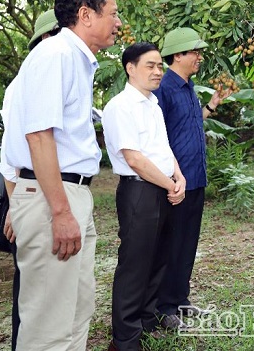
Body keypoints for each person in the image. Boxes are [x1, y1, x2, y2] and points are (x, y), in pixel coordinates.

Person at [3, 0, 121, 351]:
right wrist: (60, 211)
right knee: (48, 326)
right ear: (86, 15)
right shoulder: (55, 55)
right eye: (113, 13)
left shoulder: (76, 60)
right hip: (52, 197)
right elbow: (39, 137)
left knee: (76, 312)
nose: (118, 23)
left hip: (70, 192)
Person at [102, 42, 186, 351]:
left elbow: (163, 148)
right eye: (150, 65)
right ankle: (125, 339)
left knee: (158, 259)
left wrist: (178, 176)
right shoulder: (121, 106)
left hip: (163, 187)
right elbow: (134, 159)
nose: (157, 71)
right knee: (135, 265)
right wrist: (169, 185)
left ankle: (147, 323)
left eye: (160, 66)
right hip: (139, 190)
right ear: (130, 68)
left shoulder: (154, 104)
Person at [153, 27, 230, 329]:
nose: (199, 57)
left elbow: (191, 121)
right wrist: (172, 176)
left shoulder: (188, 86)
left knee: (187, 243)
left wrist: (211, 105)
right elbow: (157, 135)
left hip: (196, 178)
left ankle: (180, 298)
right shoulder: (163, 88)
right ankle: (164, 307)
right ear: (178, 55)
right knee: (171, 244)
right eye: (195, 52)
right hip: (176, 182)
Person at [0, 8, 61, 351]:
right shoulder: (24, 84)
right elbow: (11, 155)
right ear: (47, 38)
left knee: (49, 292)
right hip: (31, 193)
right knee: (32, 295)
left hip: (49, 192)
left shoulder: (55, 80)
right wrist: (16, 205)